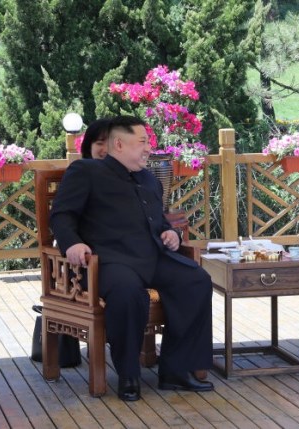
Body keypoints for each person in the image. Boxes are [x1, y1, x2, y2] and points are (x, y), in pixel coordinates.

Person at [50, 115, 214, 401]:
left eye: (148, 142)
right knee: (128, 294)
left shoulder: (148, 178)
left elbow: (157, 221)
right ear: (119, 144)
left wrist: (171, 234)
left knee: (196, 280)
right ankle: (129, 375)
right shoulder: (86, 171)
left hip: (152, 256)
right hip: (110, 261)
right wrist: (72, 243)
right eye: (142, 142)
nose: (148, 148)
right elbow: (62, 215)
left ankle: (176, 369)